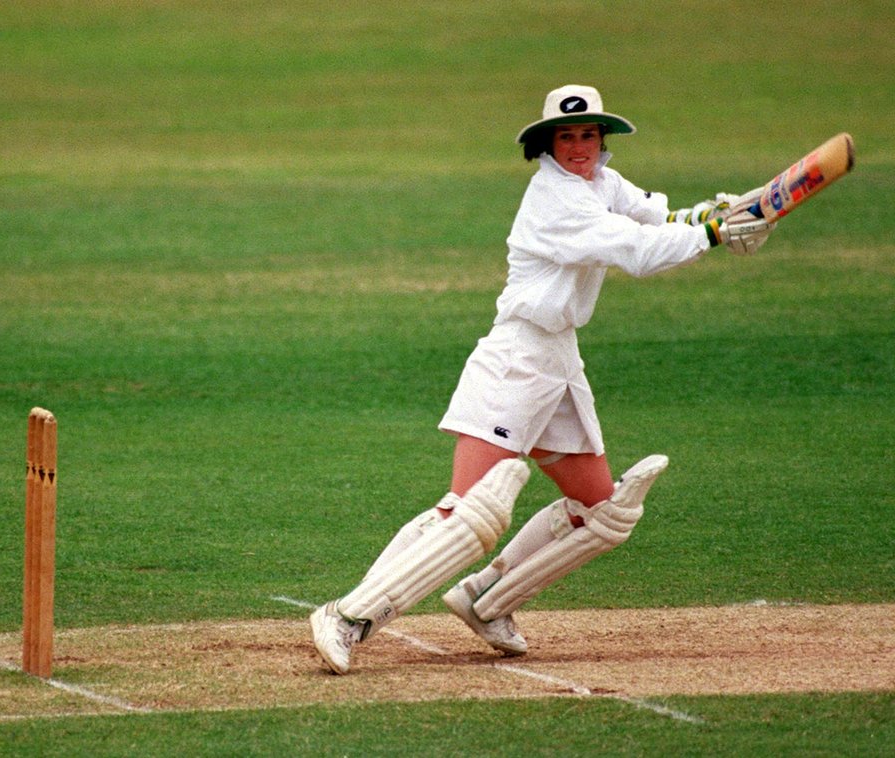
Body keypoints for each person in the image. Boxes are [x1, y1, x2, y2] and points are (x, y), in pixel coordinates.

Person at [310, 84, 774, 674]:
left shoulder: (603, 183)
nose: (579, 147)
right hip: (517, 358)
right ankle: (348, 617)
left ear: (601, 140)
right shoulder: (555, 200)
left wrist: (718, 214)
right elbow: (635, 248)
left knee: (603, 512)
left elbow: (660, 219)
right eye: (566, 137)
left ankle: (486, 599)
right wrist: (711, 236)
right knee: (469, 512)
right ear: (546, 145)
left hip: (559, 360)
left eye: (588, 135)